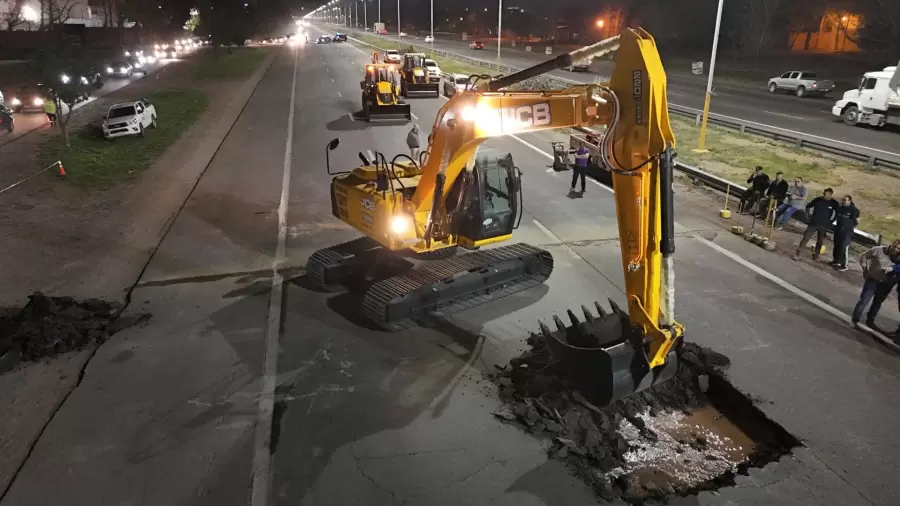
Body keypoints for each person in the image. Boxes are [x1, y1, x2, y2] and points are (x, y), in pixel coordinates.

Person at [852, 240, 900, 328]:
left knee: (877, 303)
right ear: (892, 244)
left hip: (886, 284)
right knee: (864, 301)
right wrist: (865, 270)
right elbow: (863, 256)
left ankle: (870, 321)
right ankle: (855, 319)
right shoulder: (878, 250)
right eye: (895, 246)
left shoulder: (898, 258)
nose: (896, 249)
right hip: (873, 280)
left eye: (898, 249)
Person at [793, 188, 838, 261]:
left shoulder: (834, 203)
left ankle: (816, 255)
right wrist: (807, 216)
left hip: (824, 225)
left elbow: (837, 213)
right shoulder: (818, 200)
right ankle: (798, 254)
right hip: (813, 223)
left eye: (828, 194)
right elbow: (808, 206)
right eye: (825, 194)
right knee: (805, 238)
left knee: (820, 241)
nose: (826, 196)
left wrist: (831, 221)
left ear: (831, 195)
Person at [831, 195, 860, 272]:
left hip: (847, 232)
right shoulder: (840, 208)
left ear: (849, 201)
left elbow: (857, 221)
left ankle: (844, 265)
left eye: (845, 200)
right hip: (838, 229)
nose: (843, 201)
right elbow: (836, 216)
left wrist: (848, 226)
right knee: (836, 245)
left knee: (843, 247)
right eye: (842, 200)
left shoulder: (854, 210)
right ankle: (836, 261)